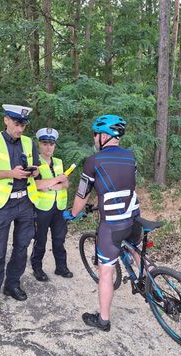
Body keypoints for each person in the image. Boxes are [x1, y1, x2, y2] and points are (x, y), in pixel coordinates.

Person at [64, 115, 140, 332]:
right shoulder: (131, 156)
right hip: (133, 216)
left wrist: (72, 213)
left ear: (104, 136)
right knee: (137, 249)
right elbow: (124, 183)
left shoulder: (93, 161)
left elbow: (82, 196)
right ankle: (149, 276)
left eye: (95, 135)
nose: (94, 139)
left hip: (112, 225)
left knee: (105, 271)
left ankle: (103, 320)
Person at [0, 104, 40, 320]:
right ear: (6, 120)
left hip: (26, 203)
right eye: (16, 123)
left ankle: (12, 285)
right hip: (4, 205)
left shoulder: (29, 143)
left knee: (22, 247)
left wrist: (34, 171)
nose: (20, 128)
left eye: (23, 124)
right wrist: (10, 173)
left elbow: (37, 168)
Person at [30, 128, 72, 281]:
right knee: (40, 239)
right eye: (45, 143)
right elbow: (36, 184)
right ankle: (37, 268)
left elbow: (66, 183)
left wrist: (53, 185)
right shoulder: (34, 163)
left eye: (51, 144)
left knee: (59, 239)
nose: (48, 147)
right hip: (42, 208)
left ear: (55, 145)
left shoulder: (59, 162)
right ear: (39, 144)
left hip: (59, 208)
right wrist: (55, 181)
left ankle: (61, 267)